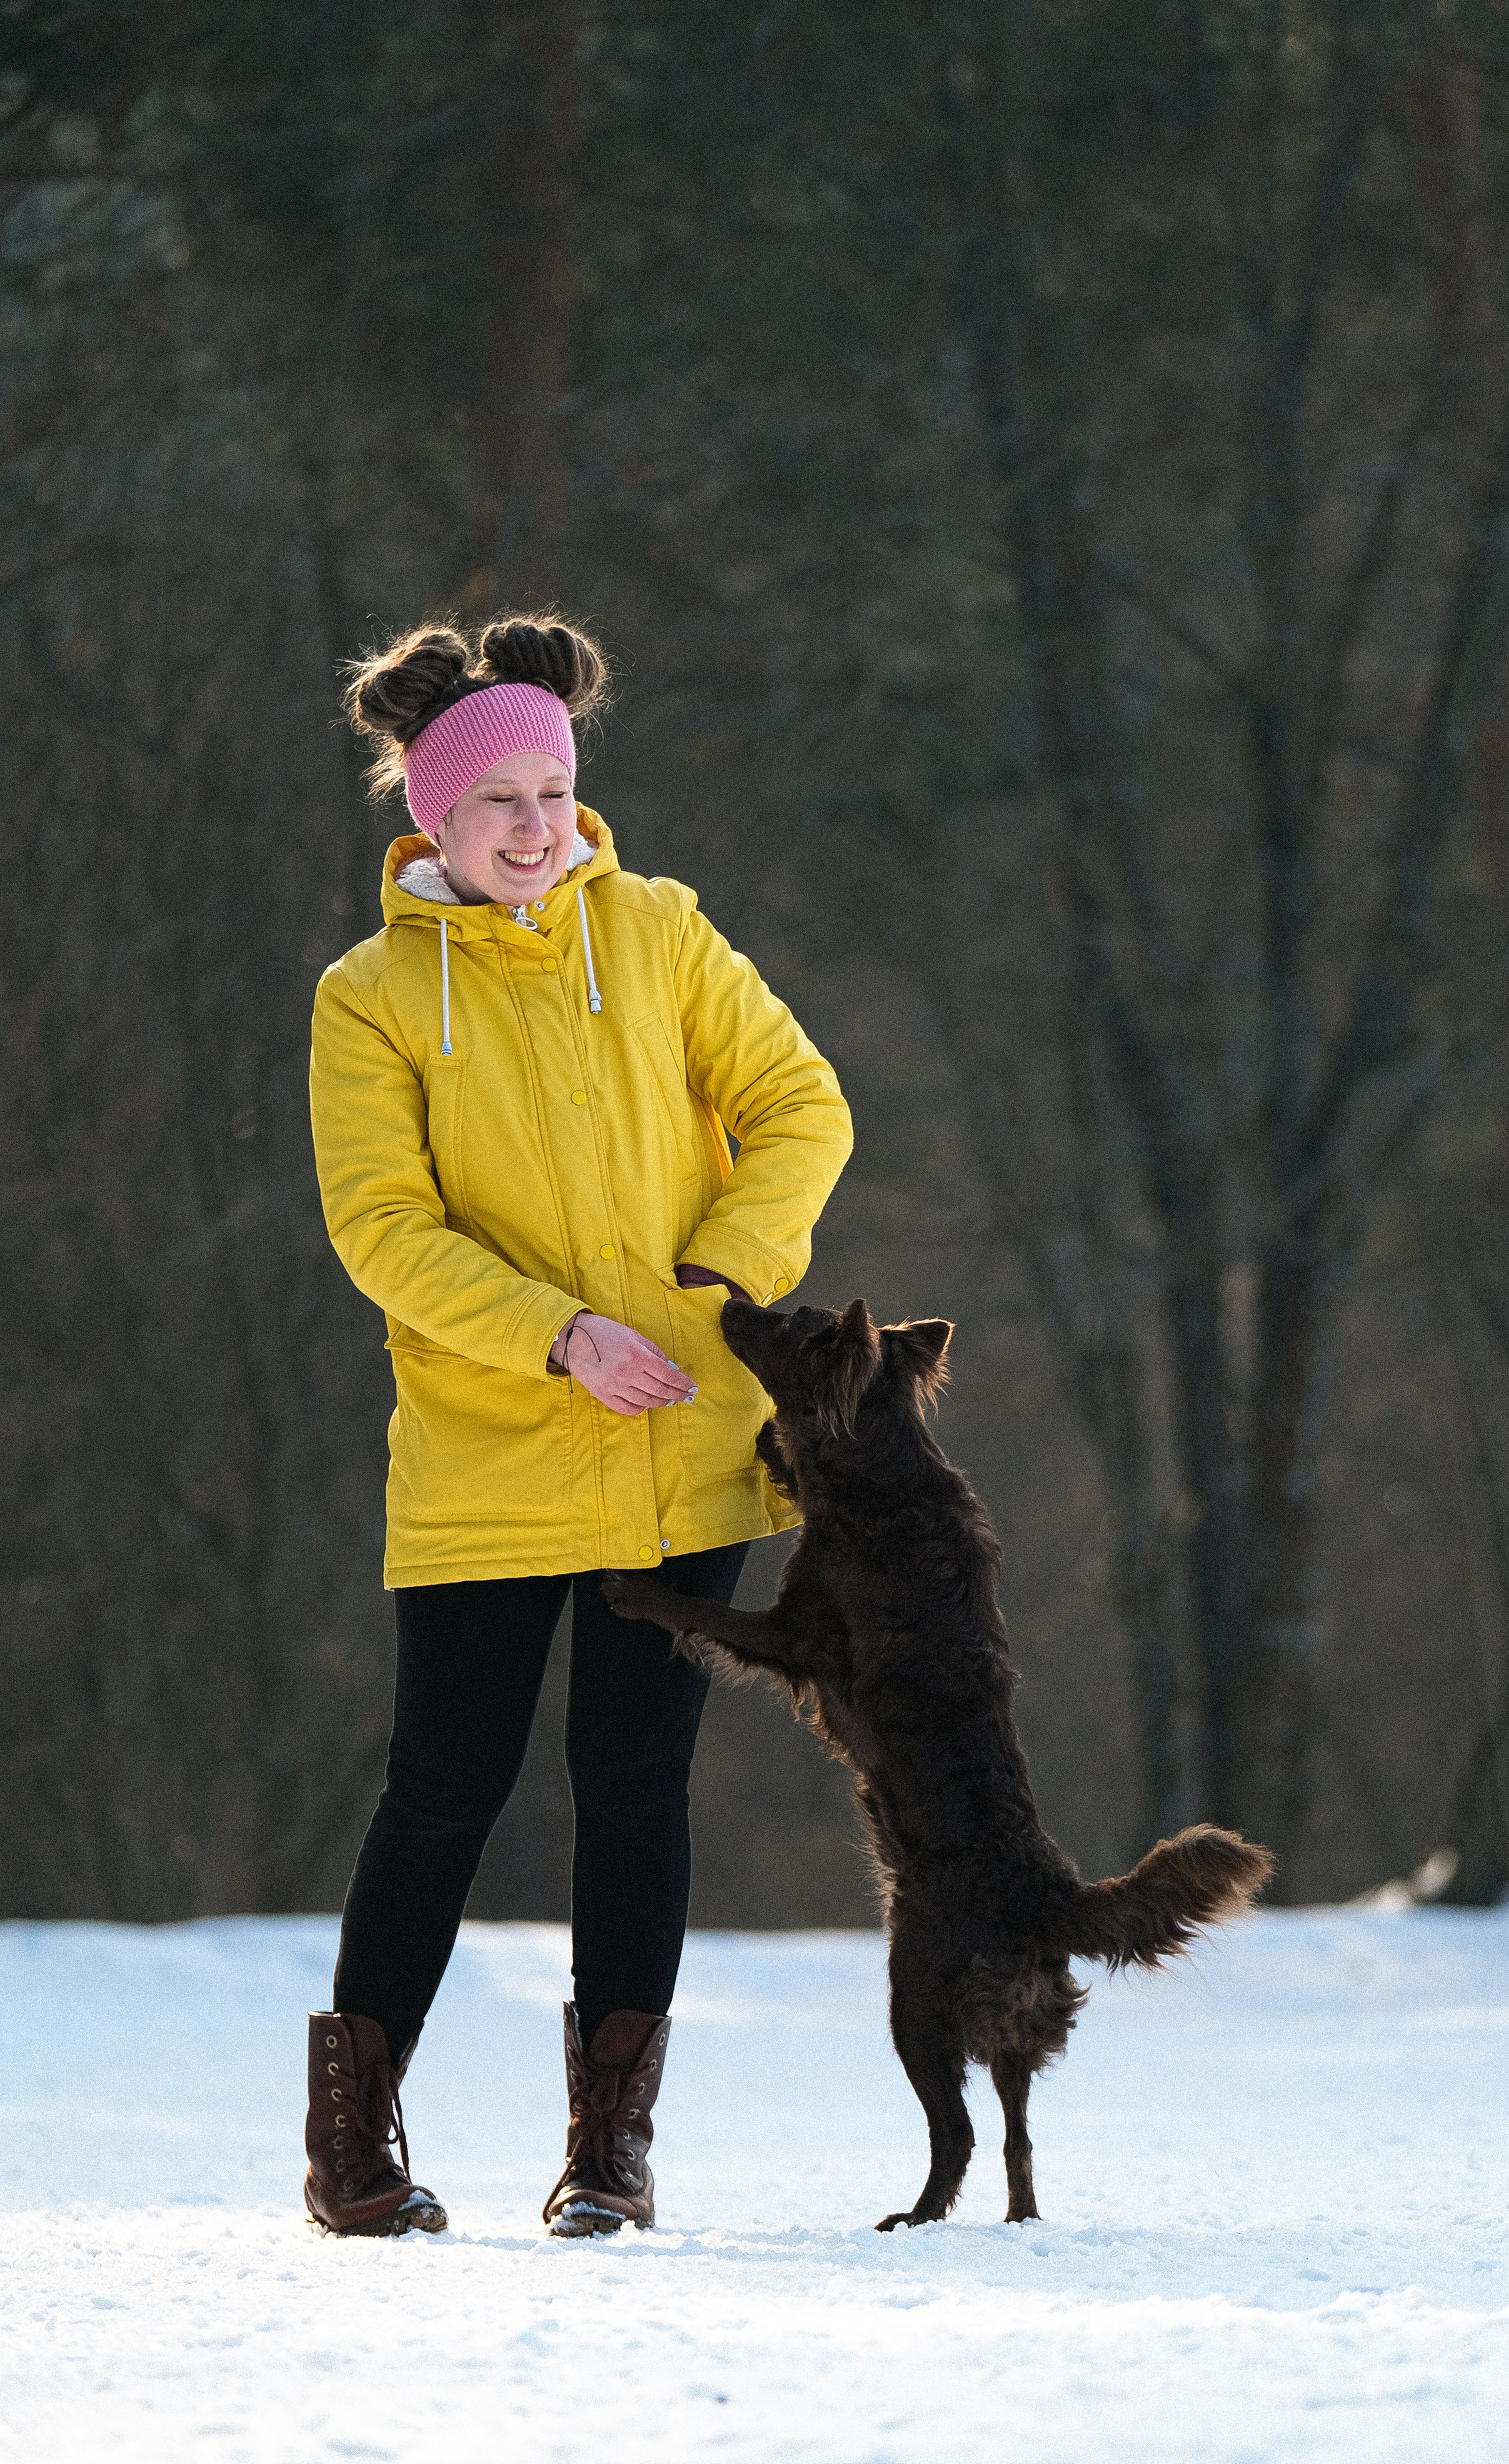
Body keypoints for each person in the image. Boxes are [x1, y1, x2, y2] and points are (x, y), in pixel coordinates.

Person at [302, 611, 852, 2238]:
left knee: (635, 1793)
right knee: (442, 1792)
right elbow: (380, 1230)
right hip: (485, 1456)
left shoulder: (665, 935)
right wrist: (556, 1334)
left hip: (682, 1446)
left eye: (555, 791)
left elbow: (800, 1106)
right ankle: (353, 2148)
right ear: (433, 820)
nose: (539, 827)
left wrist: (721, 1279)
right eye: (501, 804)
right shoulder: (372, 997)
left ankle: (609, 2153)